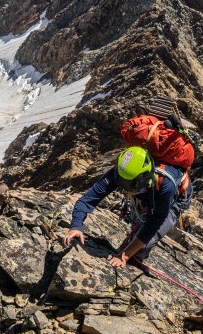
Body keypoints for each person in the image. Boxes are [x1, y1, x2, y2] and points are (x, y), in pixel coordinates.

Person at [63, 108, 194, 267]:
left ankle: (141, 247)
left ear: (145, 177)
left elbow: (155, 221)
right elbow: (88, 199)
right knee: (140, 223)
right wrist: (76, 226)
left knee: (139, 250)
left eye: (131, 187)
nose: (126, 191)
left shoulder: (167, 185)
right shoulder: (123, 170)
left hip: (176, 198)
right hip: (150, 189)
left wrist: (125, 255)